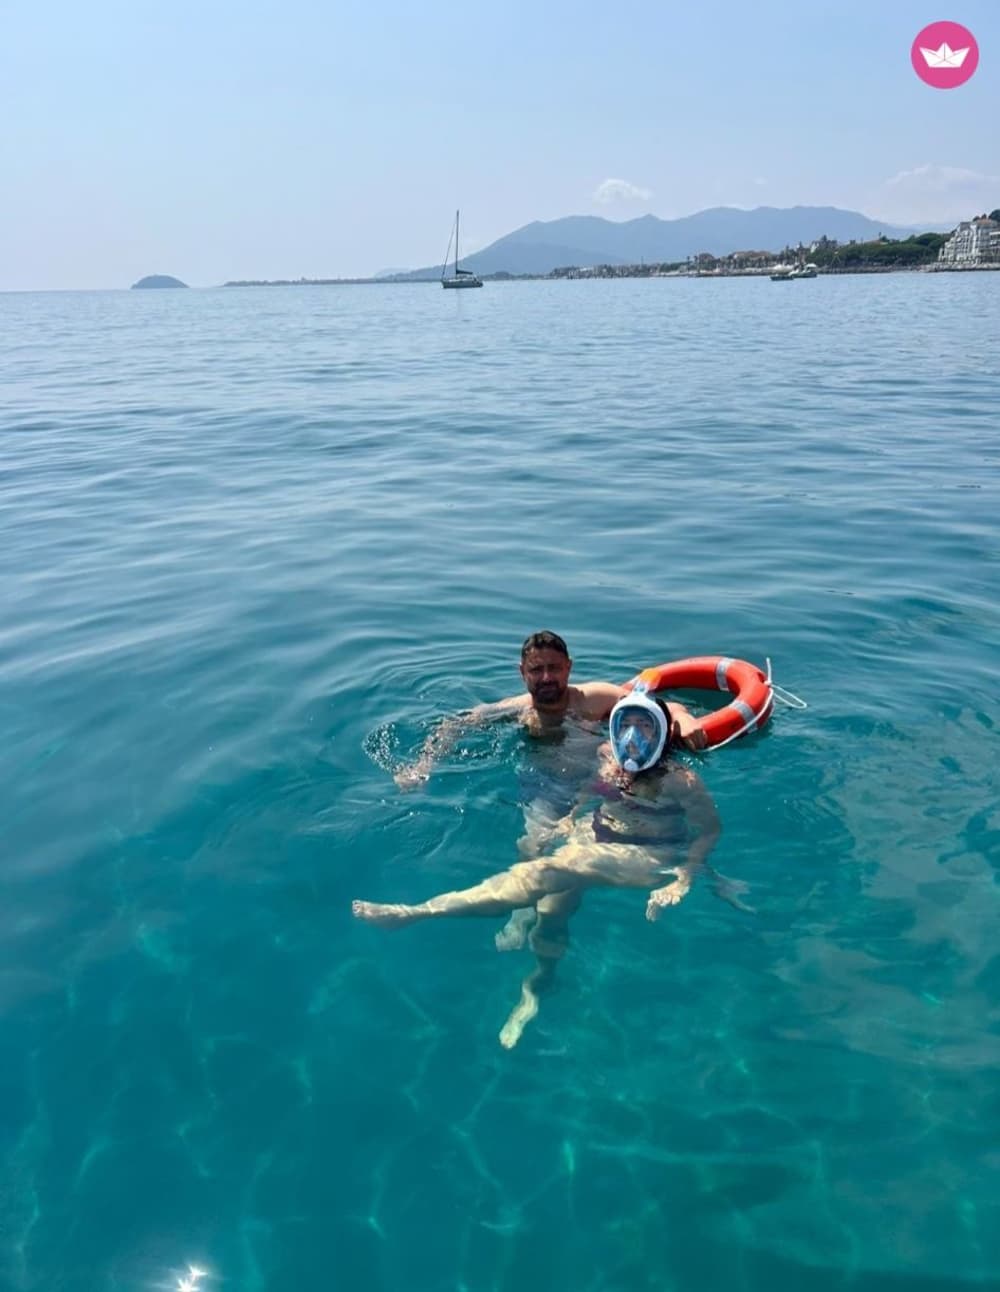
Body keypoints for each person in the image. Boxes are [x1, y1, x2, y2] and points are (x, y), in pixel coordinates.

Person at [354, 691, 724, 1049]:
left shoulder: (680, 780)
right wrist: (569, 818)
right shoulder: (607, 756)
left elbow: (709, 830)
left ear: (661, 732)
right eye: (626, 724)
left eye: (645, 726)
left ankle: (420, 913)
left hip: (649, 854)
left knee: (545, 873)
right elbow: (590, 789)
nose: (633, 735)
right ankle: (535, 988)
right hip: (596, 834)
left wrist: (684, 876)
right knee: (551, 910)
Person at [392, 630, 708, 952]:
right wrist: (422, 764)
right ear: (522, 672)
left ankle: (544, 922)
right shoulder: (518, 710)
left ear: (568, 667)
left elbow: (653, 708)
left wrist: (684, 719)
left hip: (599, 786)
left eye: (554, 668)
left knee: (560, 888)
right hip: (547, 788)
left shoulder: (593, 698)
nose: (546, 677)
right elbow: (456, 724)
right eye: (537, 669)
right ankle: (521, 913)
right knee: (533, 846)